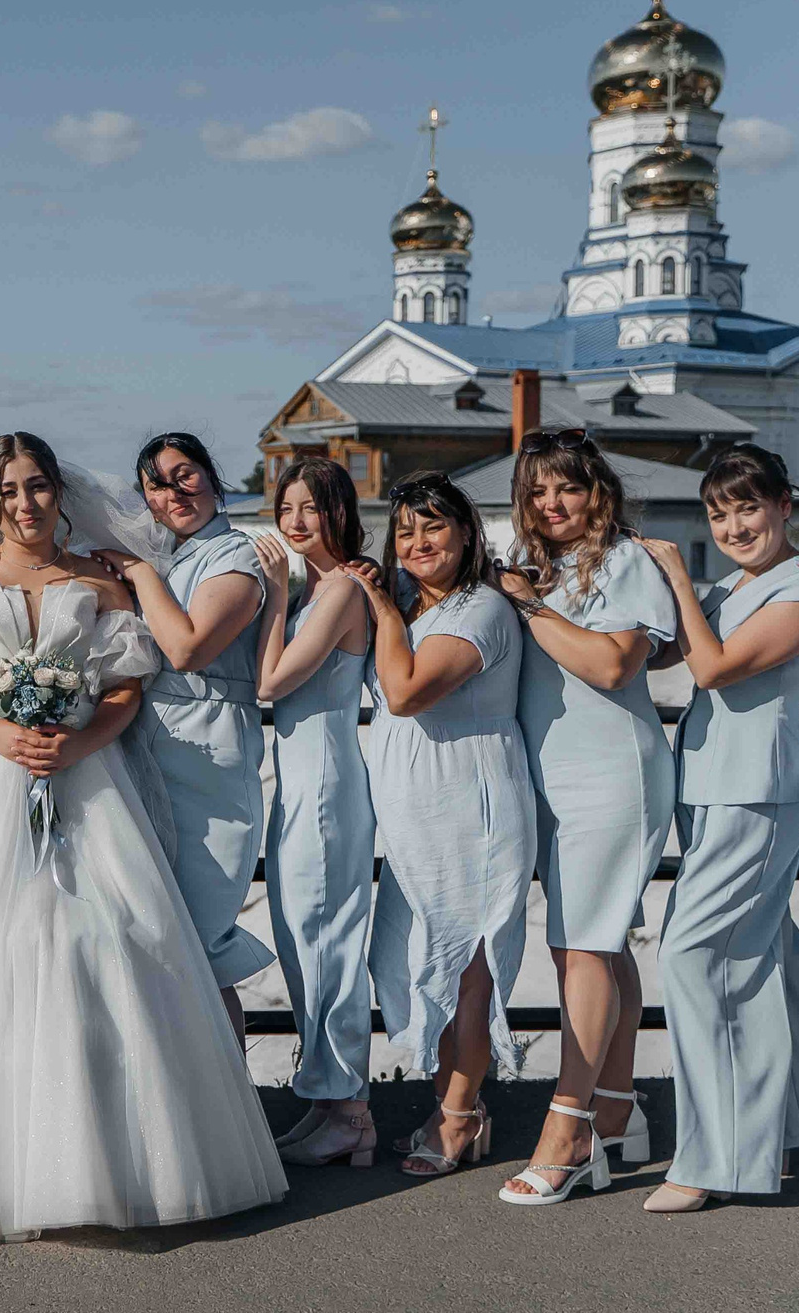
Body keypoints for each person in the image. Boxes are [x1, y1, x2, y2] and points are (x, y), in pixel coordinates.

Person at [0, 432, 286, 1243]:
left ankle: (114, 1159)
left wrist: (77, 741)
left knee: (100, 941)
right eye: (9, 491)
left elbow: (130, 686)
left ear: (58, 492)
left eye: (37, 487)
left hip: (85, 781)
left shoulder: (98, 580)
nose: (26, 504)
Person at [636, 444, 799, 1213]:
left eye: (748, 507)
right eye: (719, 513)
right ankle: (791, 1127)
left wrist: (679, 581)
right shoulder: (732, 584)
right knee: (765, 954)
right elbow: (668, 652)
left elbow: (717, 666)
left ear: (785, 504)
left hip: (756, 790)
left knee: (698, 955)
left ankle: (716, 1156)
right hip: (711, 786)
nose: (733, 524)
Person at [497, 429, 678, 1206]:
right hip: (552, 775)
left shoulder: (627, 559)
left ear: (596, 489)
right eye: (537, 491)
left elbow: (613, 663)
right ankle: (615, 1108)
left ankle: (567, 1131)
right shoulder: (537, 562)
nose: (551, 503)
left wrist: (529, 605)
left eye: (565, 487)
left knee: (582, 947)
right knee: (600, 945)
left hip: (613, 773)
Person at [349, 471, 535, 1180]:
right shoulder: (417, 607)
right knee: (422, 951)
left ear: (465, 533)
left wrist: (384, 611)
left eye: (433, 527)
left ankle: (460, 1114)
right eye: (405, 530)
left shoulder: (480, 607)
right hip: (417, 816)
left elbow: (403, 692)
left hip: (470, 803)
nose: (418, 541)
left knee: (467, 965)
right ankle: (449, 1104)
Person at [100, 431, 272, 1037]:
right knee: (152, 935)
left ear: (213, 478)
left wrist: (141, 576)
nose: (172, 492)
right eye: (156, 483)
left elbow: (189, 646)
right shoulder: (173, 558)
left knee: (199, 943)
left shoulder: (237, 555)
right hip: (148, 739)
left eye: (185, 475)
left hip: (208, 746)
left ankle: (228, 1114)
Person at [249, 460, 378, 1166]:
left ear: (339, 512)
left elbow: (271, 681)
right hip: (302, 782)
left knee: (327, 937)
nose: (296, 520)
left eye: (312, 507)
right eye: (287, 507)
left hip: (326, 784)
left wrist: (273, 595)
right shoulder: (318, 588)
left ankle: (352, 1110)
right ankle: (328, 1099)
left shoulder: (340, 589)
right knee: (303, 934)